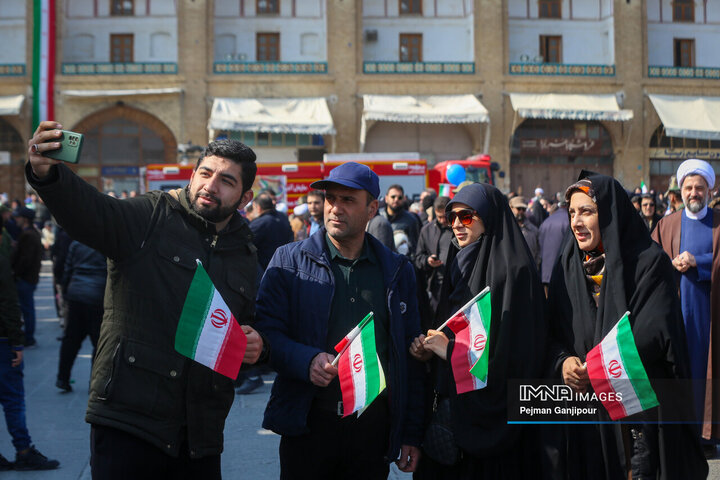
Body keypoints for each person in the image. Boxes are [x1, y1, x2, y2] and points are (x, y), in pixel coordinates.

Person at [27, 121, 265, 479]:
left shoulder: (244, 252)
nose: (210, 186)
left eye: (226, 181)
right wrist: (46, 175)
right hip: (129, 423)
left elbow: (244, 329)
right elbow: (91, 211)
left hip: (200, 434)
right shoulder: (149, 216)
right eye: (205, 173)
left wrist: (256, 346)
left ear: (245, 197)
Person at [255, 162, 424, 479]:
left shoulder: (398, 271)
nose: (335, 208)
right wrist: (307, 360)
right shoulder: (288, 261)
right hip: (308, 424)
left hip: (372, 429)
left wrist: (412, 433)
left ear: (372, 208)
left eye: (348, 200)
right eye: (331, 198)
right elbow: (266, 336)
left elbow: (410, 358)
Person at [547, 171, 707, 479]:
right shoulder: (567, 265)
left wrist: (598, 366)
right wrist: (564, 361)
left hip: (638, 418)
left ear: (608, 214)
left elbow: (654, 333)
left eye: (587, 212)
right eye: (572, 213)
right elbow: (553, 331)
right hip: (586, 417)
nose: (577, 222)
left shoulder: (648, 263)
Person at [410, 183, 547, 479]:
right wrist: (428, 350)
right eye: (452, 217)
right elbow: (448, 328)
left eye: (467, 216)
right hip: (454, 412)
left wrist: (450, 351)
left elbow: (517, 354)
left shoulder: (515, 271)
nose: (457, 224)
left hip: (495, 422)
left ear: (489, 216)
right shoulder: (459, 262)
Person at [651, 158, 720, 449]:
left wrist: (698, 261)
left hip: (709, 315)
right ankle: (678, 432)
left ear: (709, 191)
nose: (694, 193)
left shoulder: (718, 222)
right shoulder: (666, 224)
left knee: (707, 372)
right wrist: (669, 263)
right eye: (689, 187)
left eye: (700, 188)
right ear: (680, 191)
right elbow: (649, 264)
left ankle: (707, 434)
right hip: (675, 315)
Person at [0, 216, 60, 470]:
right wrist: (17, 341)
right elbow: (6, 299)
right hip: (2, 338)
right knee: (13, 398)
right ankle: (23, 450)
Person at [56, 240, 107, 392]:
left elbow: (68, 269)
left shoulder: (76, 243)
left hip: (77, 293)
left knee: (71, 339)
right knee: (99, 342)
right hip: (98, 294)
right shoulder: (106, 242)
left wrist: (66, 292)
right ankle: (94, 382)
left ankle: (62, 377)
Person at [414, 196, 453, 318]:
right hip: (435, 286)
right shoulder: (426, 230)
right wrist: (428, 261)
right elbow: (418, 257)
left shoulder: (458, 229)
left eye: (445, 217)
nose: (442, 220)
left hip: (455, 284)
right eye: (439, 217)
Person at [10, 207, 43, 347]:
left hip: (25, 279)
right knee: (27, 308)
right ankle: (28, 336)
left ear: (25, 219)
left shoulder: (29, 235)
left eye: (18, 217)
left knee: (27, 308)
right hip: (28, 278)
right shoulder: (31, 233)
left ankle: (29, 337)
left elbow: (26, 259)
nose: (16, 219)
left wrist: (15, 272)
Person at [250, 192, 294, 272]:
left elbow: (245, 243)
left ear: (258, 207)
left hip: (266, 268)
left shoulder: (259, 223)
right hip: (285, 265)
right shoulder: (283, 217)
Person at [380, 184, 421, 257]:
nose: (396, 200)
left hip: (400, 263)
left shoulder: (411, 220)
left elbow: (414, 249)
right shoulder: (378, 217)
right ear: (386, 199)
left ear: (404, 199)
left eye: (399, 197)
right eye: (393, 197)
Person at [538, 198, 569, 293]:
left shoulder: (546, 222)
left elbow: (539, 245)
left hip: (546, 272)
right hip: (563, 272)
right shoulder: (569, 220)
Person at [509, 196, 540, 268]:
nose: (521, 211)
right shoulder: (506, 229)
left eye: (523, 209)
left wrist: (536, 264)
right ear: (511, 208)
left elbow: (538, 250)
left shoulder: (533, 229)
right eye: (518, 209)